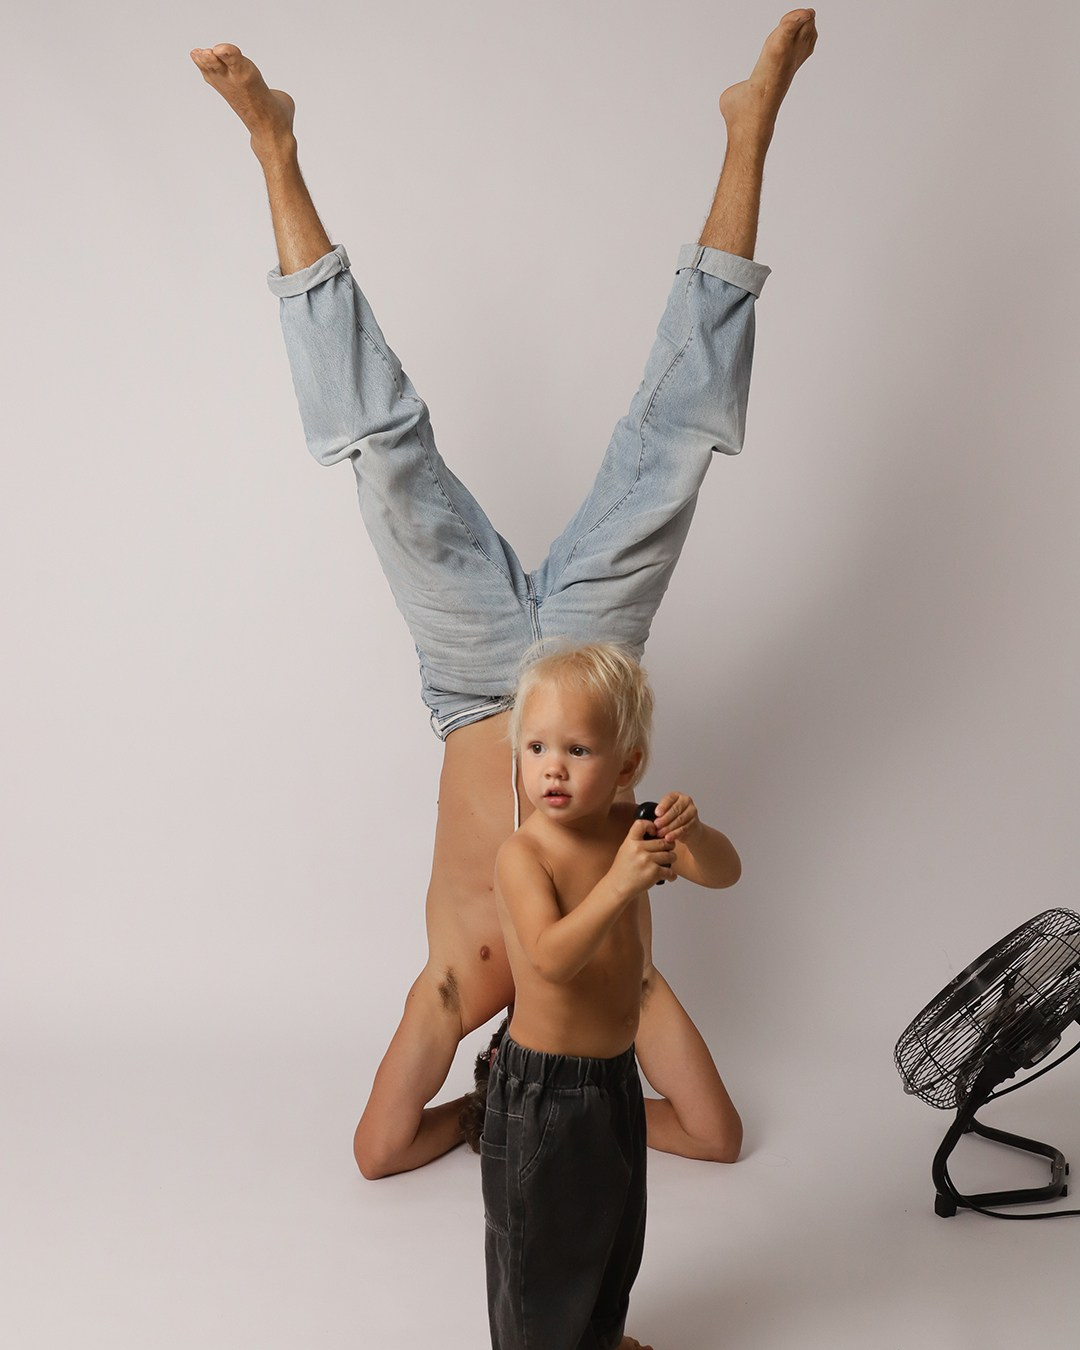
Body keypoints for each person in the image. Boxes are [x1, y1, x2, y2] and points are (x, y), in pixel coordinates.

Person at [189, 9, 817, 1181]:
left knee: (383, 453)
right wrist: (574, 1116)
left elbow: (378, 1151)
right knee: (675, 442)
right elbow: (717, 1136)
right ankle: (752, 132)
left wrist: (481, 1123)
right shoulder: (622, 986)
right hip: (587, 671)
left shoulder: (465, 981)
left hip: (478, 678)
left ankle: (275, 151)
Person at [484, 641, 740, 1350]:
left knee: (612, 1233)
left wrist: (696, 832)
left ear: (627, 765)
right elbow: (549, 958)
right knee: (539, 1252)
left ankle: (597, 1340)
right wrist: (622, 882)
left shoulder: (632, 827)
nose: (552, 767)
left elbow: (724, 873)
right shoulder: (524, 854)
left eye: (578, 749)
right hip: (545, 1089)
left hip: (614, 1076)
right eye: (535, 747)